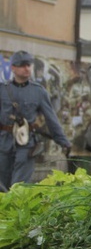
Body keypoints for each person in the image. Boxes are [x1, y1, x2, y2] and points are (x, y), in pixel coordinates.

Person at [0, 51, 71, 189]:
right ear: (13, 68)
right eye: (22, 65)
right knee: (2, 185)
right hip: (3, 143)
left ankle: (17, 209)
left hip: (26, 145)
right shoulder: (2, 90)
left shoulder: (39, 92)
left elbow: (51, 119)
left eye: (28, 65)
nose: (27, 68)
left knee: (19, 186)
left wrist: (63, 141)